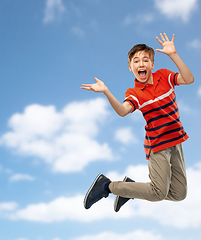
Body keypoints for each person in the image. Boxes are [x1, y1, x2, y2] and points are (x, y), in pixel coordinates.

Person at [81, 32, 194, 212]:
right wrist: (106, 92)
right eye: (136, 61)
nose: (141, 63)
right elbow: (122, 111)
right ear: (130, 67)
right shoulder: (135, 93)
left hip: (176, 142)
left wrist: (173, 55)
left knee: (179, 194)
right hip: (158, 145)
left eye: (145, 60)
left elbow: (188, 79)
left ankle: (130, 189)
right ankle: (108, 186)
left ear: (152, 64)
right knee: (158, 193)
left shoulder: (165, 76)